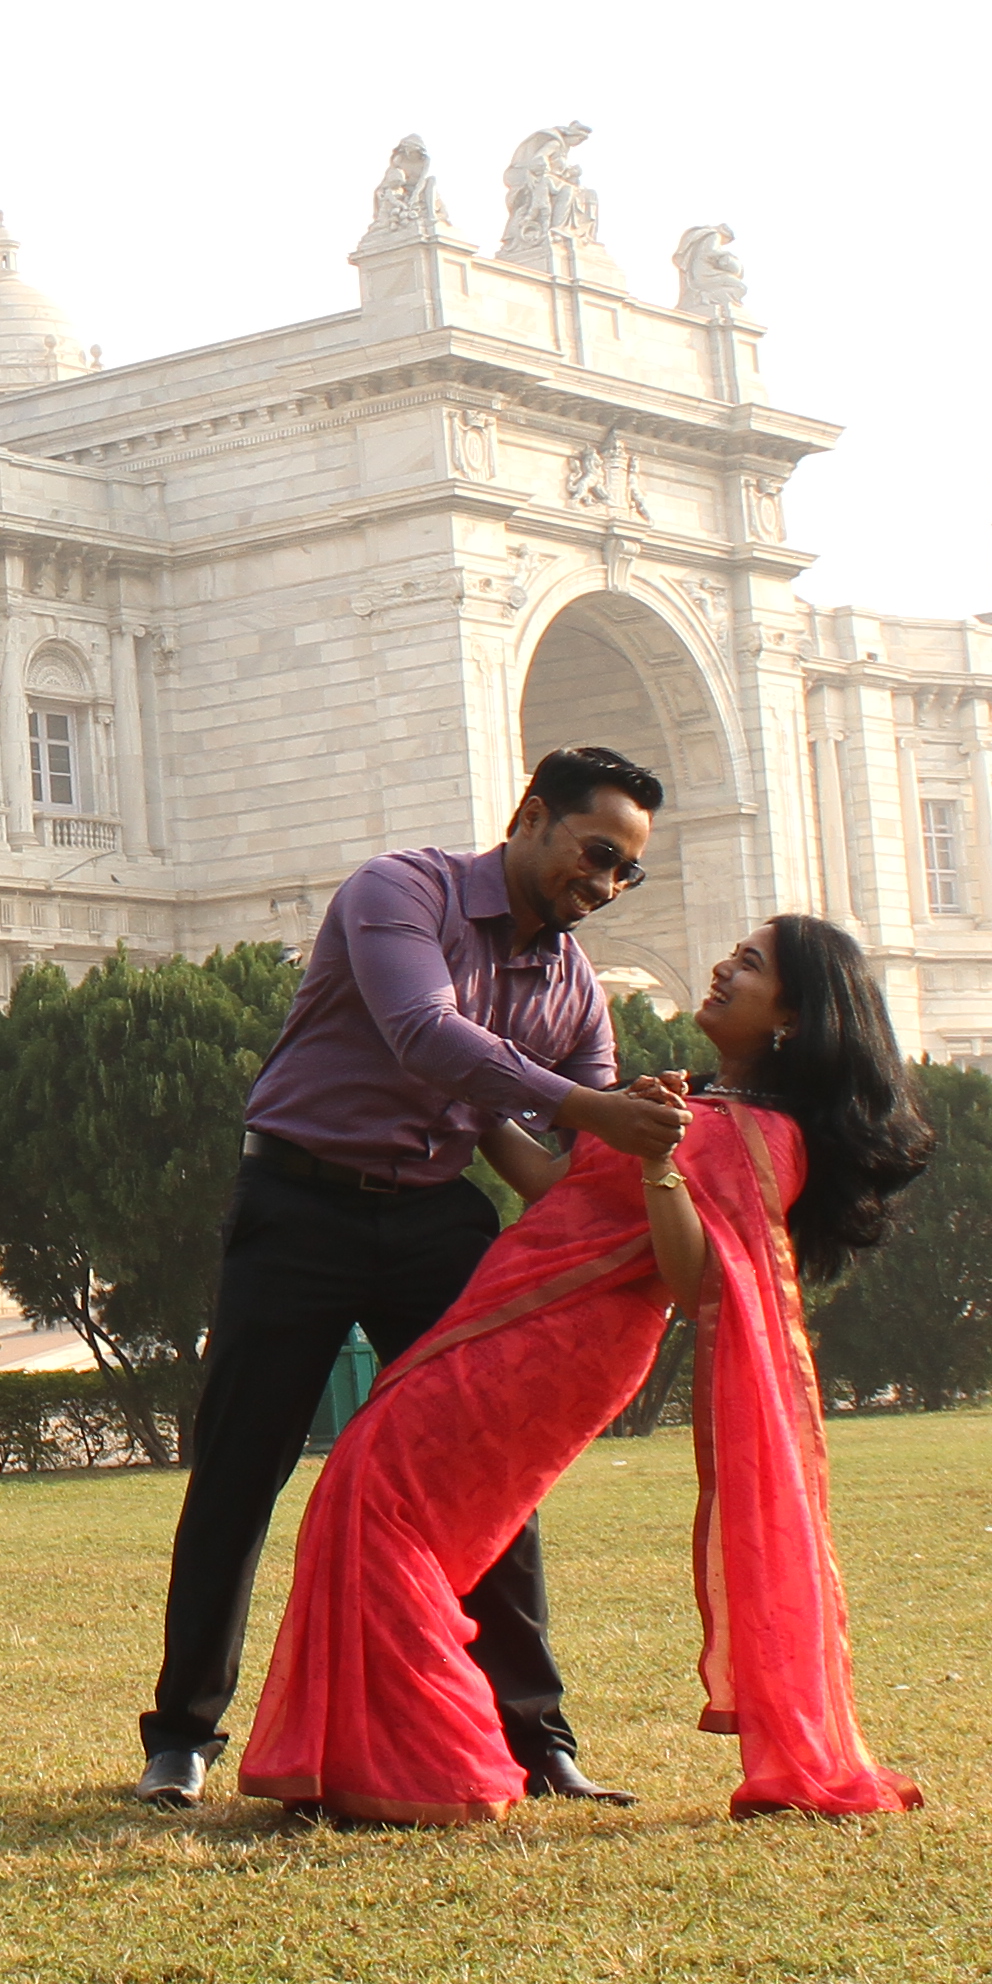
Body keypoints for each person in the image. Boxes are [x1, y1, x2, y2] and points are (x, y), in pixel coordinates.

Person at [234, 911, 939, 1825]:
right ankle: (384, 1762)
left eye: (752, 965)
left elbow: (696, 1282)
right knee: (370, 1496)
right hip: (514, 1309)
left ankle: (429, 1769)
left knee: (375, 1494)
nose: (725, 968)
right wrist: (470, 1089)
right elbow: (555, 1190)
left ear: (793, 1018)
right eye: (733, 952)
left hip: (569, 1339)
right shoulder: (696, 1105)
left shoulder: (766, 1140)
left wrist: (658, 1166)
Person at [134, 746, 698, 1810]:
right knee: (241, 1471)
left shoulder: (575, 989)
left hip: (436, 1216)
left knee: (492, 1470)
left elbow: (572, 1171)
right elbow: (422, 1035)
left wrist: (662, 1140)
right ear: (531, 815)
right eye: (597, 852)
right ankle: (183, 1738)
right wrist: (591, 1114)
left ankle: (539, 1742)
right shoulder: (401, 890)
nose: (606, 883)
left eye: (628, 872)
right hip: (299, 1201)